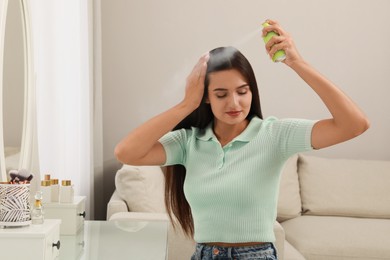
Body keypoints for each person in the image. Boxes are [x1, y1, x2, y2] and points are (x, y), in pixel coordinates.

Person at [115, 19, 369, 260]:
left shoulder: (274, 135)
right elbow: (127, 152)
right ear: (206, 97)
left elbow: (354, 125)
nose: (234, 103)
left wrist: (297, 63)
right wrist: (186, 104)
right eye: (221, 94)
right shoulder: (188, 143)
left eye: (242, 91)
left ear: (252, 91)